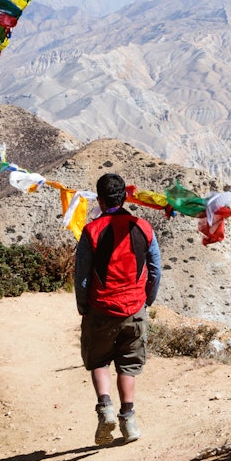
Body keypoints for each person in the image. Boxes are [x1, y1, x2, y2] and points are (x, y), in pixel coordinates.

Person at [74, 172, 161, 446]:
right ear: (124, 198)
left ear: (99, 200)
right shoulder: (144, 228)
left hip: (100, 308)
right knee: (129, 364)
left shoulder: (91, 231)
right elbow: (155, 271)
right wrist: (146, 300)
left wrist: (83, 305)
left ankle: (105, 410)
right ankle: (129, 420)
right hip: (134, 308)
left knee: (98, 361)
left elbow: (82, 276)